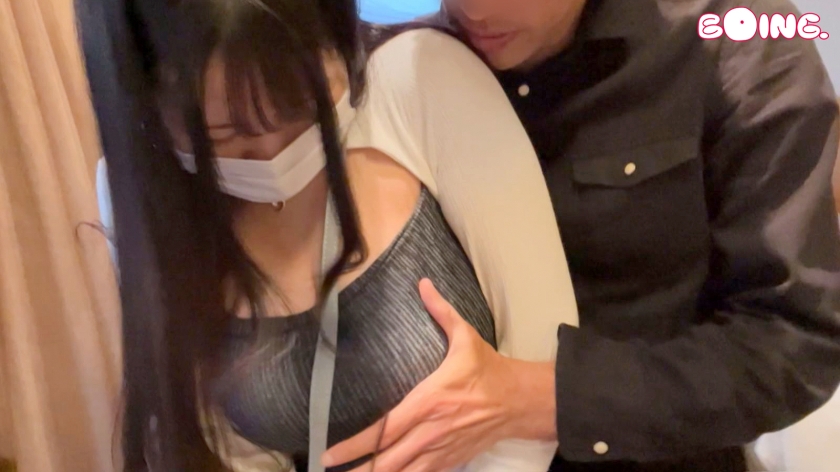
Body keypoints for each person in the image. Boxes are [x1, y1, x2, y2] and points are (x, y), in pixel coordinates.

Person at [324, 1, 840, 471]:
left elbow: (797, 342)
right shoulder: (400, 68)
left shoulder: (740, 41)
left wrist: (539, 398)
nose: (473, 11)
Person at [79, 0, 578, 471]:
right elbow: (226, 446)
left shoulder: (422, 79)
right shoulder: (142, 204)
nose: (276, 154)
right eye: (226, 139)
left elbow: (543, 356)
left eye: (301, 109)